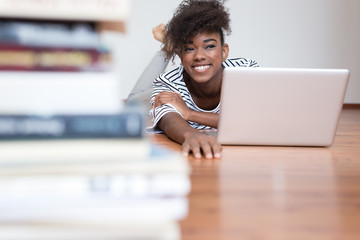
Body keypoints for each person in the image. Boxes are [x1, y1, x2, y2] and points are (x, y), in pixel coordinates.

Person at [140, 0, 258, 159]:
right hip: (148, 99)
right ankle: (168, 46)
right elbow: (167, 119)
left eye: (209, 46)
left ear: (224, 52)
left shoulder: (245, 70)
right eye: (189, 49)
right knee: (136, 99)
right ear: (180, 55)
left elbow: (252, 121)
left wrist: (189, 114)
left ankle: (169, 44)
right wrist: (190, 135)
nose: (199, 56)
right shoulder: (167, 82)